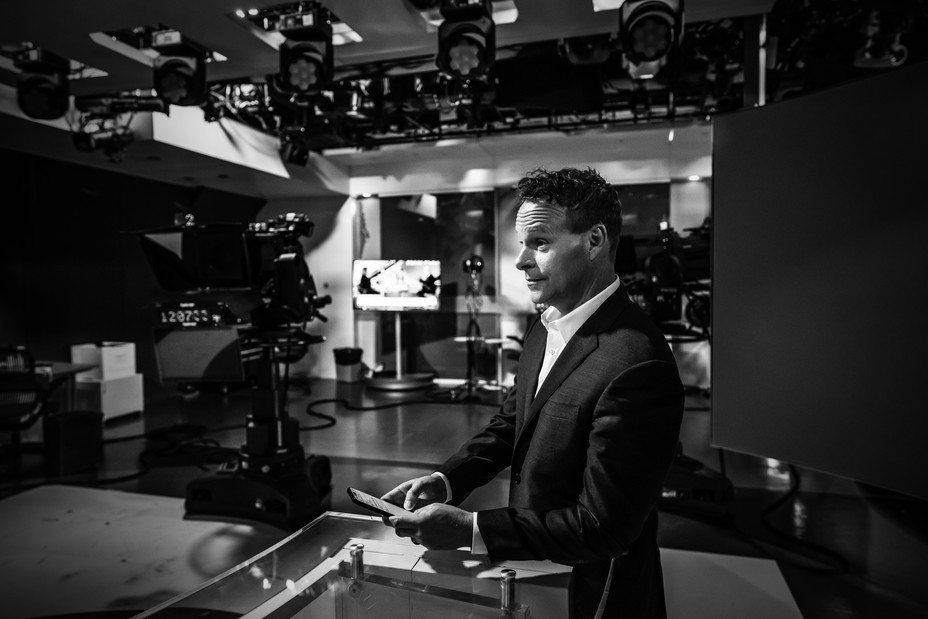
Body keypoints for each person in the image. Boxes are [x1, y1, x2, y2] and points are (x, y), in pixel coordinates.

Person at [381, 166, 684, 618]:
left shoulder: (638, 362)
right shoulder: (545, 326)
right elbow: (513, 423)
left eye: (539, 243)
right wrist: (448, 481)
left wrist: (474, 528)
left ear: (595, 241)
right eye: (523, 243)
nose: (521, 260)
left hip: (596, 591)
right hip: (536, 571)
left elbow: (603, 527)